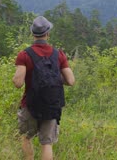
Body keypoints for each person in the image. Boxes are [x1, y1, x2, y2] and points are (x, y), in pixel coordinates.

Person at [13, 16, 75, 160]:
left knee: (26, 137)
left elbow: (18, 83)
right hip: (52, 105)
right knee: (47, 143)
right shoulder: (59, 54)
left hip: (30, 104)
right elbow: (71, 81)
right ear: (48, 34)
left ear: (32, 34)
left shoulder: (24, 55)